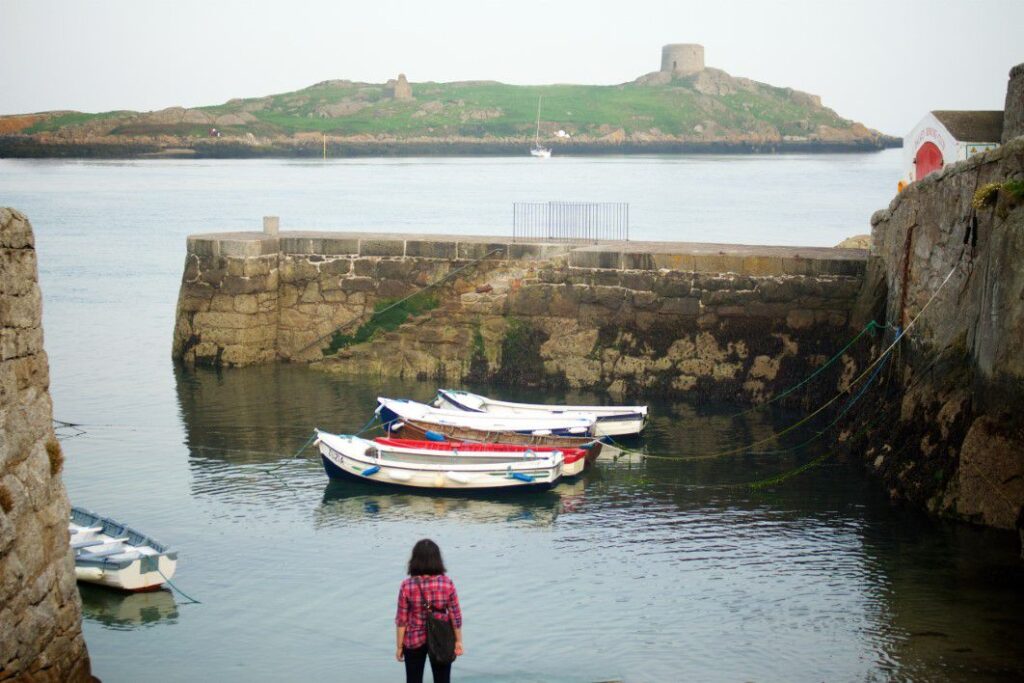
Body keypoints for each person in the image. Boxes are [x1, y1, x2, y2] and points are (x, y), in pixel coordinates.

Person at [395, 539, 464, 683]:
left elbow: (402, 620)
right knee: (442, 680)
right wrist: (458, 641)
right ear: (437, 559)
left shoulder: (407, 585)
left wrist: (399, 646)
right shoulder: (447, 583)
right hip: (441, 638)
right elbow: (455, 616)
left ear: (414, 560)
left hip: (414, 639)